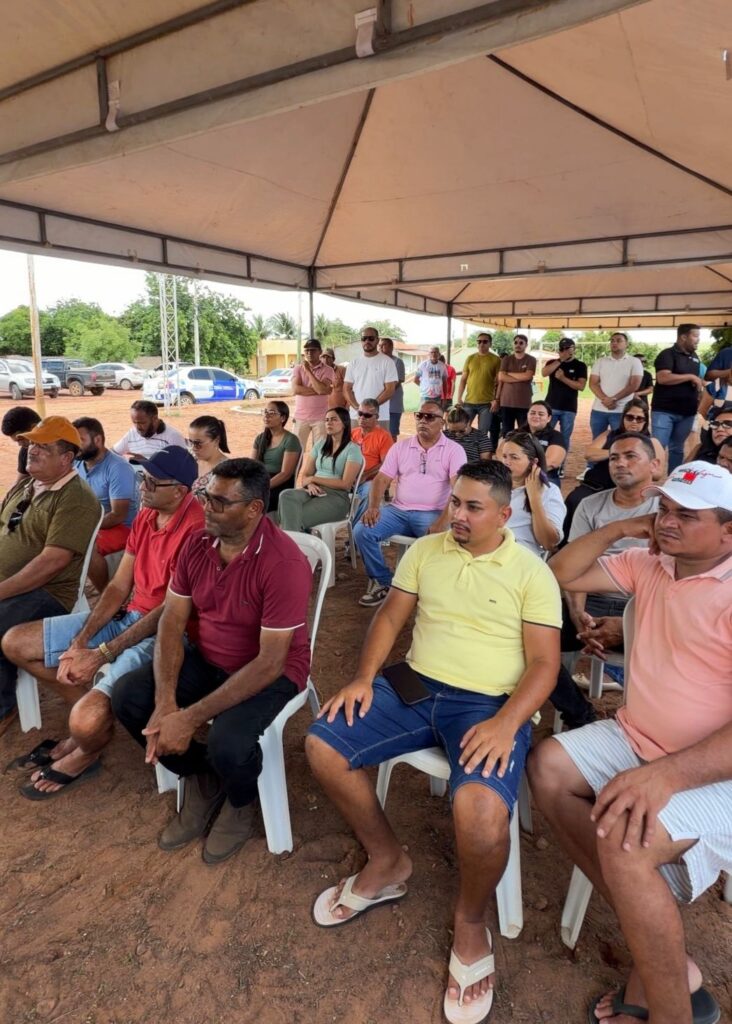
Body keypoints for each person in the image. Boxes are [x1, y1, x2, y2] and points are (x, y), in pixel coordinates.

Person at [306, 461, 561, 1023]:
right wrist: (363, 678)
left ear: (504, 514)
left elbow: (545, 664)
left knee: (480, 810)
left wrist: (508, 722)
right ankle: (387, 861)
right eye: (455, 502)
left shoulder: (530, 572)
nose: (458, 515)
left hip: (488, 703)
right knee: (324, 744)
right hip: (415, 684)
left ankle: (470, 920)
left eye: (473, 507)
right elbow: (390, 618)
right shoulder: (426, 551)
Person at [530, 462, 732, 1024]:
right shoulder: (651, 562)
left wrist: (665, 775)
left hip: (716, 770)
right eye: (663, 509)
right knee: (547, 767)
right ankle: (656, 938)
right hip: (638, 735)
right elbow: (561, 572)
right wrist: (621, 528)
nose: (667, 522)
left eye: (686, 516)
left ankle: (669, 1010)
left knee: (626, 843)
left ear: (728, 531)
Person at [112, 459, 313, 865]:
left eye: (220, 502)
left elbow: (269, 663)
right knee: (129, 697)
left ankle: (241, 799)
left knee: (228, 741)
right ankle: (201, 776)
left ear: (254, 509)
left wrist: (188, 719)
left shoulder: (284, 563)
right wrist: (166, 702)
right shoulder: (198, 543)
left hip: (269, 671)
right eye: (206, 496)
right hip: (208, 658)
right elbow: (172, 620)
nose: (206, 507)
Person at [3, 447, 203, 797]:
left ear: (179, 491)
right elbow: (119, 586)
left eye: (152, 482)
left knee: (85, 721)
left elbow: (170, 611)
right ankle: (90, 716)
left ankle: (88, 747)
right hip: (132, 616)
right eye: (142, 478)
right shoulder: (148, 514)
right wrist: (81, 641)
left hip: (169, 631)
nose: (142, 487)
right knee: (15, 643)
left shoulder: (197, 529)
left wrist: (102, 654)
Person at [0, 417, 100, 736]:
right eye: (32, 443)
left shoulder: (76, 498)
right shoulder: (27, 484)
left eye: (43, 446)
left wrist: (1, 590)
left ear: (66, 458)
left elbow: (51, 563)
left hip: (47, 591)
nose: (32, 450)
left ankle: (3, 707)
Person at [353, 401, 466, 607]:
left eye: (430, 417)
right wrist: (373, 507)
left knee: (444, 542)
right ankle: (384, 582)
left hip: (433, 513)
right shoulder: (401, 447)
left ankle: (431, 590)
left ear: (442, 423)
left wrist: (442, 521)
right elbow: (381, 480)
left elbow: (458, 490)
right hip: (398, 510)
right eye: (419, 415)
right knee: (362, 531)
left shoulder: (453, 450)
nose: (423, 420)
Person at [563, 433, 660, 655]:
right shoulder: (589, 505)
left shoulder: (667, 509)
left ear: (654, 465)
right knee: (549, 627)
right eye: (614, 458)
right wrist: (578, 615)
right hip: (593, 599)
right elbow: (575, 568)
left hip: (646, 602)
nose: (620, 463)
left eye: (630, 456)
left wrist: (631, 622)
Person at [73, 417, 139, 593]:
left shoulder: (118, 467)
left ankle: (107, 594)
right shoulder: (76, 462)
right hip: (90, 522)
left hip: (122, 528)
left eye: (80, 440)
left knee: (85, 546)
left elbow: (118, 515)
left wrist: (84, 527)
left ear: (98, 440)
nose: (75, 446)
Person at [277, 407, 363, 533]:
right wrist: (310, 484)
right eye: (327, 420)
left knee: (291, 515)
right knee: (286, 495)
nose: (329, 423)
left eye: (334, 419)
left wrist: (314, 479)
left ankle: (290, 544)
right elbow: (305, 476)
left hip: (336, 498)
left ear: (344, 423)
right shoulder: (320, 444)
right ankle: (295, 542)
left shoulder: (353, 449)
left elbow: (345, 484)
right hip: (313, 491)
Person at [500, 432, 565, 557]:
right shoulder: (494, 484)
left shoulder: (549, 491)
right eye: (504, 456)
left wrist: (534, 498)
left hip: (519, 556)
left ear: (533, 462)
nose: (506, 462)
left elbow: (549, 543)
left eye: (514, 457)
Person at [651, 324, 703, 473]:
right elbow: (663, 378)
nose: (698, 340)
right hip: (664, 411)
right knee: (658, 448)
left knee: (678, 449)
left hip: (687, 412)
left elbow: (694, 380)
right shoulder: (667, 354)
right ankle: (650, 478)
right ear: (683, 337)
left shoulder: (695, 357)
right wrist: (691, 377)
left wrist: (700, 386)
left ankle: (672, 479)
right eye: (695, 336)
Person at [250, 401, 302, 513]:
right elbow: (251, 466)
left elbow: (286, 474)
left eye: (272, 412)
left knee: (251, 503)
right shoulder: (260, 438)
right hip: (262, 480)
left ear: (283, 418)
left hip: (280, 484)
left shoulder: (291, 440)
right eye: (265, 412)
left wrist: (263, 487)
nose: (266, 415)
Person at [588, 333, 643, 438]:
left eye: (618, 340)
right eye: (612, 340)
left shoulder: (635, 362)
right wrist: (606, 400)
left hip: (622, 410)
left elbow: (634, 385)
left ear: (626, 344)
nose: (614, 343)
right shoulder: (600, 361)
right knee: (598, 441)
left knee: (621, 441)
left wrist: (614, 399)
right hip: (598, 410)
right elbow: (593, 383)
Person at [344, 327, 398, 431]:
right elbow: (346, 389)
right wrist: (357, 408)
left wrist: (371, 408)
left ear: (377, 340)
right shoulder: (354, 363)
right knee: (355, 442)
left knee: (380, 441)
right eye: (364, 338)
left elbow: (390, 390)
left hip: (379, 417)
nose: (367, 341)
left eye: (371, 338)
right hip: (356, 417)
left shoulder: (387, 362)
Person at [541, 338, 587, 458]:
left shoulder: (580, 365)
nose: (565, 351)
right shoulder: (552, 362)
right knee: (545, 434)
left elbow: (581, 386)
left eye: (568, 348)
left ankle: (560, 463)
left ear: (574, 349)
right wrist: (560, 360)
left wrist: (563, 378)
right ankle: (544, 460)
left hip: (569, 408)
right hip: (551, 406)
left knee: (564, 437)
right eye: (563, 348)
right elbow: (544, 373)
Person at [351, 398, 394, 523]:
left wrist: (365, 475)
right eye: (360, 413)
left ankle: (356, 527)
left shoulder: (384, 436)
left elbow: (386, 464)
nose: (362, 418)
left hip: (370, 481)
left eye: (367, 415)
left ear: (377, 417)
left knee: (369, 491)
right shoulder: (352, 433)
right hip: (350, 478)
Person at [455, 332, 501, 446]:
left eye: (485, 341)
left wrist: (496, 399)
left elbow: (500, 382)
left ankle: (480, 454)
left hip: (487, 404)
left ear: (490, 344)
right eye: (479, 341)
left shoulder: (496, 360)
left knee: (482, 433)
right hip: (469, 402)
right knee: (462, 429)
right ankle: (463, 452)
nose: (481, 344)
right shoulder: (470, 358)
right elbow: (463, 380)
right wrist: (459, 397)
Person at [291, 338, 335, 449]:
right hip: (300, 417)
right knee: (296, 451)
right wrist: (320, 389)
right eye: (307, 350)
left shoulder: (328, 370)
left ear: (320, 352)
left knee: (320, 451)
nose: (309, 353)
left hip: (320, 418)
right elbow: (296, 390)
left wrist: (308, 371)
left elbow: (322, 390)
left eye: (313, 350)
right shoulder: (297, 369)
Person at [113, 400, 186, 462]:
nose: (137, 427)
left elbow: (182, 467)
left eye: (142, 423)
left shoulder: (173, 437)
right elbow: (113, 453)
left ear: (155, 418)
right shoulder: (132, 433)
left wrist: (147, 463)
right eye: (134, 422)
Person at [495, 334, 537, 437]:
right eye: (516, 342)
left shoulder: (531, 359)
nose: (518, 345)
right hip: (506, 402)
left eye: (521, 343)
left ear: (526, 345)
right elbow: (501, 377)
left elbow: (528, 376)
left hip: (524, 403)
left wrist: (508, 374)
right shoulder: (506, 359)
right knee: (506, 432)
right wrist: (521, 377)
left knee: (524, 433)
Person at [520, 400, 566, 483]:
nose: (536, 416)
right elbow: (501, 452)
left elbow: (552, 462)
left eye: (541, 414)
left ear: (549, 418)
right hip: (517, 476)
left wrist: (519, 466)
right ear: (527, 415)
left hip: (545, 476)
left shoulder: (556, 436)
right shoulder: (516, 433)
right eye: (532, 413)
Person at [188, 415, 231, 498]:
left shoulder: (227, 471)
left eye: (198, 443)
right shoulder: (190, 458)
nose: (193, 447)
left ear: (216, 440)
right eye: (191, 442)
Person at [1, 406, 41, 489]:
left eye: (21, 439)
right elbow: (20, 482)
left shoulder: (64, 445)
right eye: (17, 441)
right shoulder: (26, 450)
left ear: (34, 428)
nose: (20, 444)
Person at [377, 337, 405, 440]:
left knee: (391, 434)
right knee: (378, 433)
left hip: (393, 405)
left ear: (391, 347)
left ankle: (392, 451)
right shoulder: (377, 362)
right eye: (379, 346)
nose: (380, 348)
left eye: (383, 345)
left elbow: (396, 383)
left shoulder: (397, 362)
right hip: (379, 405)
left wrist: (380, 393)